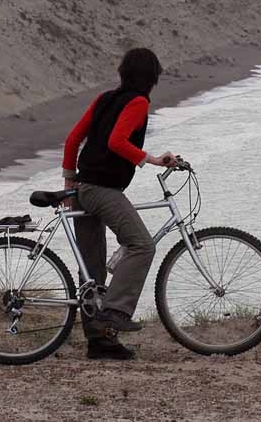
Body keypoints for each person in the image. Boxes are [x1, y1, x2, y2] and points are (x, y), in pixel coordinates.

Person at [61, 47, 174, 360]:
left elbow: (72, 140)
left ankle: (100, 342)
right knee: (142, 245)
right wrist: (151, 159)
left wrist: (70, 182)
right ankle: (117, 312)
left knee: (92, 269)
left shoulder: (104, 99)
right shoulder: (138, 102)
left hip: (84, 187)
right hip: (102, 190)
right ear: (152, 78)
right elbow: (116, 141)